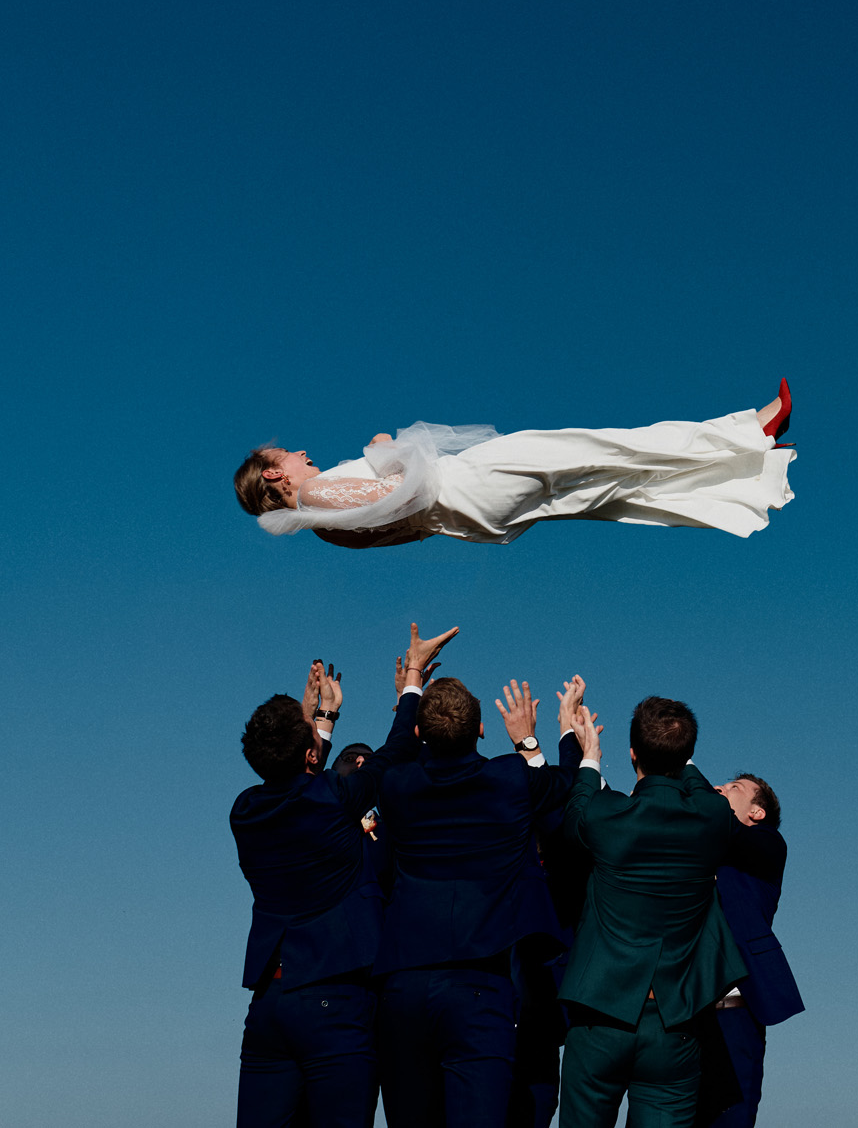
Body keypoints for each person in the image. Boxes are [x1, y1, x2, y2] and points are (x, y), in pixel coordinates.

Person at [229, 624, 456, 1128]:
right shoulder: (334, 798)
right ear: (312, 755)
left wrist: (317, 720)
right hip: (336, 1002)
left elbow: (294, 784)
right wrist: (413, 679)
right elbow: (397, 749)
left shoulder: (244, 811)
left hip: (269, 1004)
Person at [371, 670, 586, 1125]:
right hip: (478, 986)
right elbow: (567, 783)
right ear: (482, 729)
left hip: (402, 986)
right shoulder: (509, 779)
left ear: (419, 734)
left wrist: (410, 688)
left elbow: (395, 753)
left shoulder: (395, 785)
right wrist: (537, 738)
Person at [232, 382, 796, 549]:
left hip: (473, 518)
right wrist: (388, 450)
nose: (299, 452)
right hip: (467, 486)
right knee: (601, 449)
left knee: (613, 490)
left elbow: (409, 531)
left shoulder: (325, 531)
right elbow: (404, 495)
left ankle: (746, 476)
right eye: (286, 454)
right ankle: (749, 430)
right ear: (275, 473)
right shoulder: (317, 499)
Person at [557, 698, 748, 1128]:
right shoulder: (712, 817)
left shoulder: (606, 816)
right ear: (685, 756)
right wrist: (678, 749)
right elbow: (699, 787)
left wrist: (589, 756)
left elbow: (576, 811)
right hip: (674, 1020)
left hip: (601, 1014)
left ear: (632, 753)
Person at [710, 774, 805, 1128]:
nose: (720, 789)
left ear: (757, 812)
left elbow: (732, 835)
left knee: (731, 1119)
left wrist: (679, 762)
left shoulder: (767, 845)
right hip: (681, 1013)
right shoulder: (700, 846)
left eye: (733, 788)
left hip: (733, 1012)